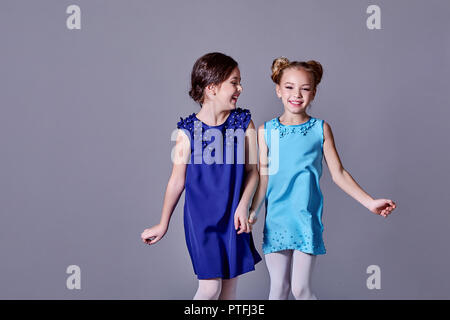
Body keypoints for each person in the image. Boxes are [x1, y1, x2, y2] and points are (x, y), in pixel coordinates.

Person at [248, 57, 397, 300]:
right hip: (276, 220)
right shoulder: (266, 131)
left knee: (300, 289)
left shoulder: (320, 129)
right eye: (289, 87)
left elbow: (339, 173)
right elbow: (263, 178)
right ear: (278, 90)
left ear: (314, 93)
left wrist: (370, 202)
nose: (296, 94)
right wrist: (252, 211)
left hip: (305, 219)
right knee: (278, 290)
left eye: (305, 88)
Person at [141, 52, 261, 300]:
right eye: (234, 82)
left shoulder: (243, 123)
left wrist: (243, 206)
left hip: (233, 218)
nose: (240, 88)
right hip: (201, 221)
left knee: (228, 292)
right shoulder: (187, 132)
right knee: (210, 289)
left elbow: (253, 172)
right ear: (212, 88)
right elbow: (177, 181)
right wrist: (163, 223)